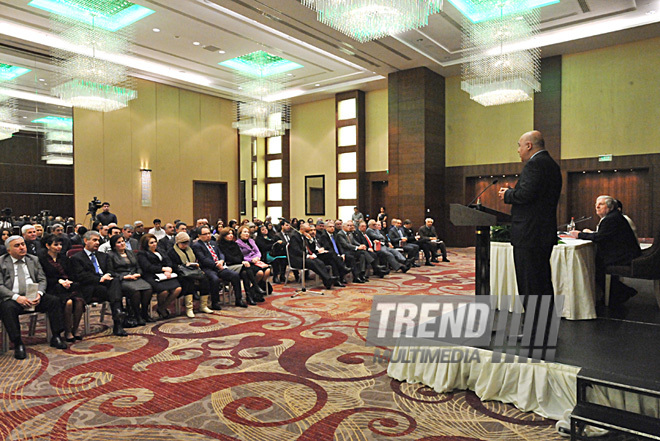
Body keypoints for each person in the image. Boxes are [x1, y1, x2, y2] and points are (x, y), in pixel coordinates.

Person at [498, 130, 562, 339]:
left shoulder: (535, 165)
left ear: (528, 146)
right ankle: (545, 326)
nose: (517, 151)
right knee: (542, 281)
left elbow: (525, 194)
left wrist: (507, 194)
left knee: (530, 282)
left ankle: (533, 330)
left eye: (519, 146)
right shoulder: (552, 165)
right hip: (541, 233)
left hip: (529, 234)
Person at [0, 236, 68, 359]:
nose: (22, 247)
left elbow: (42, 279)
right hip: (13, 298)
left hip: (33, 296)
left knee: (54, 301)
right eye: (17, 246)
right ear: (8, 250)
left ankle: (56, 336)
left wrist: (39, 293)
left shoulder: (33, 259)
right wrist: (16, 297)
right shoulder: (1, 262)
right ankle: (18, 343)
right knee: (7, 308)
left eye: (23, 244)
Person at [570, 195, 641, 304]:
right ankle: (619, 293)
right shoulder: (613, 217)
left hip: (625, 256)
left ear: (610, 207)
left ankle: (622, 292)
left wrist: (579, 234)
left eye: (601, 204)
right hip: (624, 253)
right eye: (596, 204)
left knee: (594, 265)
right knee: (595, 262)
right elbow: (604, 236)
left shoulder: (611, 219)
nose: (597, 207)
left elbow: (600, 238)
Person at [70, 230, 128, 336]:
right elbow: (80, 276)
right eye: (94, 240)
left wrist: (108, 275)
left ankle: (118, 317)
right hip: (90, 286)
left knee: (115, 281)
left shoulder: (103, 256)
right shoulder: (77, 258)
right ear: (86, 241)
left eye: (98, 240)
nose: (97, 243)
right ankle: (118, 317)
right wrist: (99, 279)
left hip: (106, 284)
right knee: (115, 291)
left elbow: (111, 270)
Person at [38, 234, 84, 342]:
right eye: (56, 245)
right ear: (47, 246)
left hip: (68, 285)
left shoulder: (64, 258)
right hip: (54, 287)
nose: (59, 247)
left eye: (60, 245)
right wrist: (59, 281)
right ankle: (67, 331)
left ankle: (75, 329)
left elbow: (72, 273)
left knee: (79, 301)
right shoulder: (42, 260)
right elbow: (44, 277)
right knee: (68, 303)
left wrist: (69, 281)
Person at [193, 226, 249, 308]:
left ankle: (238, 299)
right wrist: (217, 265)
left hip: (220, 266)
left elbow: (221, 254)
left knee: (235, 275)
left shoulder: (213, 243)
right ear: (199, 235)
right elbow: (203, 260)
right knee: (214, 279)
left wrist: (221, 261)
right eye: (205, 234)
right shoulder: (197, 245)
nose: (208, 235)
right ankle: (215, 302)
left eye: (209, 233)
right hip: (207, 268)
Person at [107, 235, 153, 326]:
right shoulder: (110, 255)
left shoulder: (130, 252)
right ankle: (136, 315)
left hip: (135, 277)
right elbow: (111, 271)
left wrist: (139, 273)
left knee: (148, 289)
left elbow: (138, 267)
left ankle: (144, 312)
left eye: (123, 241)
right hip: (122, 279)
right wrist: (124, 277)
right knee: (135, 292)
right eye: (119, 242)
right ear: (114, 245)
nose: (122, 243)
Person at [137, 234, 181, 319]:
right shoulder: (142, 254)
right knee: (164, 292)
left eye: (155, 242)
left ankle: (161, 308)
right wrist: (162, 269)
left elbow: (168, 261)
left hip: (165, 274)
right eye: (151, 243)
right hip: (151, 275)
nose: (154, 244)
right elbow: (147, 267)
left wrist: (169, 269)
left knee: (178, 289)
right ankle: (162, 309)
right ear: (146, 244)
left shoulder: (160, 250)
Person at [215, 227, 265, 304]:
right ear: (224, 235)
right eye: (228, 234)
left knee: (245, 273)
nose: (231, 235)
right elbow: (228, 258)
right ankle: (255, 287)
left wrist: (242, 261)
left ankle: (248, 296)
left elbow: (240, 255)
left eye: (232, 234)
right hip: (229, 266)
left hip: (239, 265)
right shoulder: (221, 245)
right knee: (246, 267)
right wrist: (241, 262)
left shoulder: (234, 244)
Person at [168, 232, 212, 317]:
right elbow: (172, 265)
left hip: (193, 270)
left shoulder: (190, 249)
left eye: (187, 243)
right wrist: (184, 266)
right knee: (188, 281)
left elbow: (196, 259)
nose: (185, 245)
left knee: (205, 279)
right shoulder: (172, 252)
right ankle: (189, 308)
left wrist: (194, 264)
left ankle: (203, 305)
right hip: (181, 273)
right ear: (178, 242)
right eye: (183, 243)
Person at [236, 225, 272, 294]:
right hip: (248, 262)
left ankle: (255, 288)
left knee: (267, 270)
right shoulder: (237, 243)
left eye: (248, 232)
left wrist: (258, 257)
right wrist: (251, 259)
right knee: (260, 273)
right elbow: (240, 256)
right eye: (245, 232)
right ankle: (254, 289)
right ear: (240, 234)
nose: (247, 234)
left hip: (256, 260)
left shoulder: (251, 241)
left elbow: (258, 251)